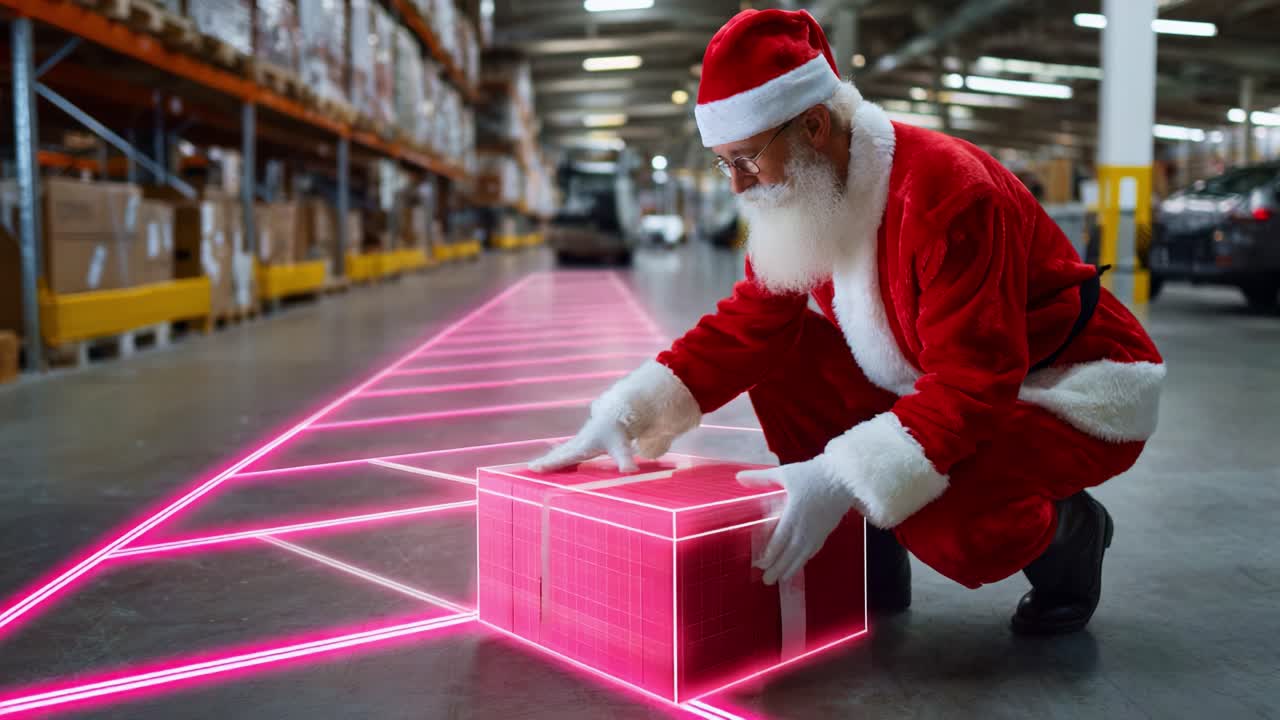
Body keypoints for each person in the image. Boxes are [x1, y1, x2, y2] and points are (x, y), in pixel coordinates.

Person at [529, 8, 1165, 636]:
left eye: (745, 158)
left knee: (953, 527)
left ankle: (1074, 535)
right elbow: (753, 321)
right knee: (787, 355)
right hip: (933, 367)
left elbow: (977, 381)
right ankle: (865, 558)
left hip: (1065, 384)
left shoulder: (950, 195)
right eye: (726, 163)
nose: (738, 184)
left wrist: (838, 475)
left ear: (812, 128)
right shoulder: (803, 193)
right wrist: (628, 411)